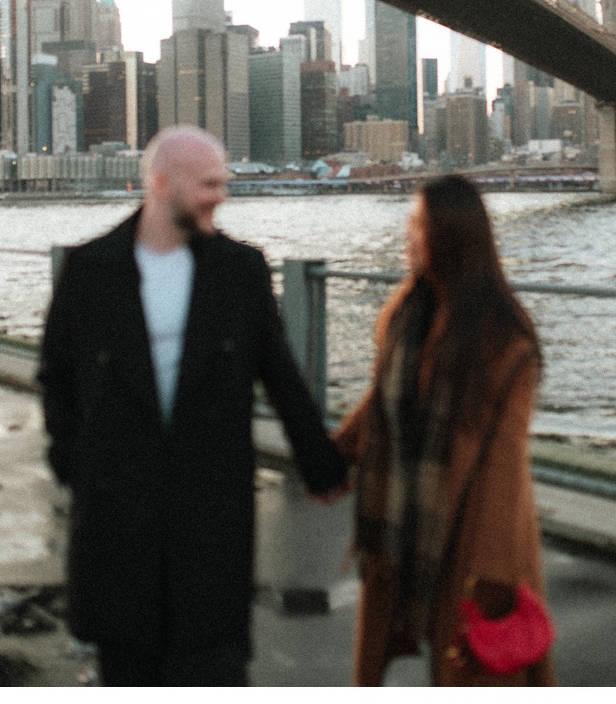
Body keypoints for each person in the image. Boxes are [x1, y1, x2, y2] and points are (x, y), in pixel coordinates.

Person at [38, 126, 347, 686]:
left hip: (210, 520)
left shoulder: (240, 271)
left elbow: (279, 374)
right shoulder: (90, 273)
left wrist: (319, 461)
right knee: (129, 673)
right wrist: (74, 465)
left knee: (214, 669)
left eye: (222, 183)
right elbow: (55, 378)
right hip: (117, 521)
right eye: (208, 184)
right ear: (161, 183)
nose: (220, 196)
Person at [332, 175, 553, 686]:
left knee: (472, 674)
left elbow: (503, 465)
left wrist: (491, 577)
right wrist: (334, 454)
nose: (407, 236)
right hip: (405, 521)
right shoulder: (406, 313)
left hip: (473, 536)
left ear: (451, 237)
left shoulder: (504, 339)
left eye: (418, 225)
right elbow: (383, 402)